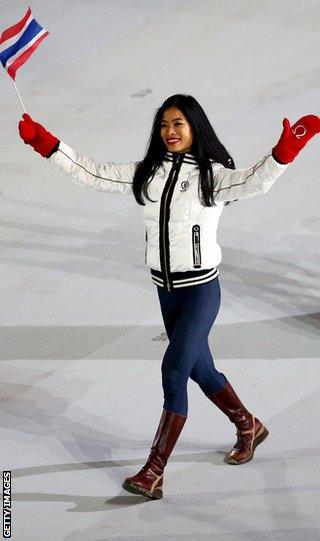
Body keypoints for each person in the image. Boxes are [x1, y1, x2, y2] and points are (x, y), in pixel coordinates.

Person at [18, 94, 320, 500]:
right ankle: (248, 424)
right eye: (164, 124)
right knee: (200, 370)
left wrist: (285, 151)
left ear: (195, 127)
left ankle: (153, 471)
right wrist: (47, 144)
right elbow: (92, 173)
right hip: (166, 292)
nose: (170, 131)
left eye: (178, 123)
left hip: (200, 291)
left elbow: (254, 181)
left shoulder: (212, 176)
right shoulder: (147, 173)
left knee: (174, 371)